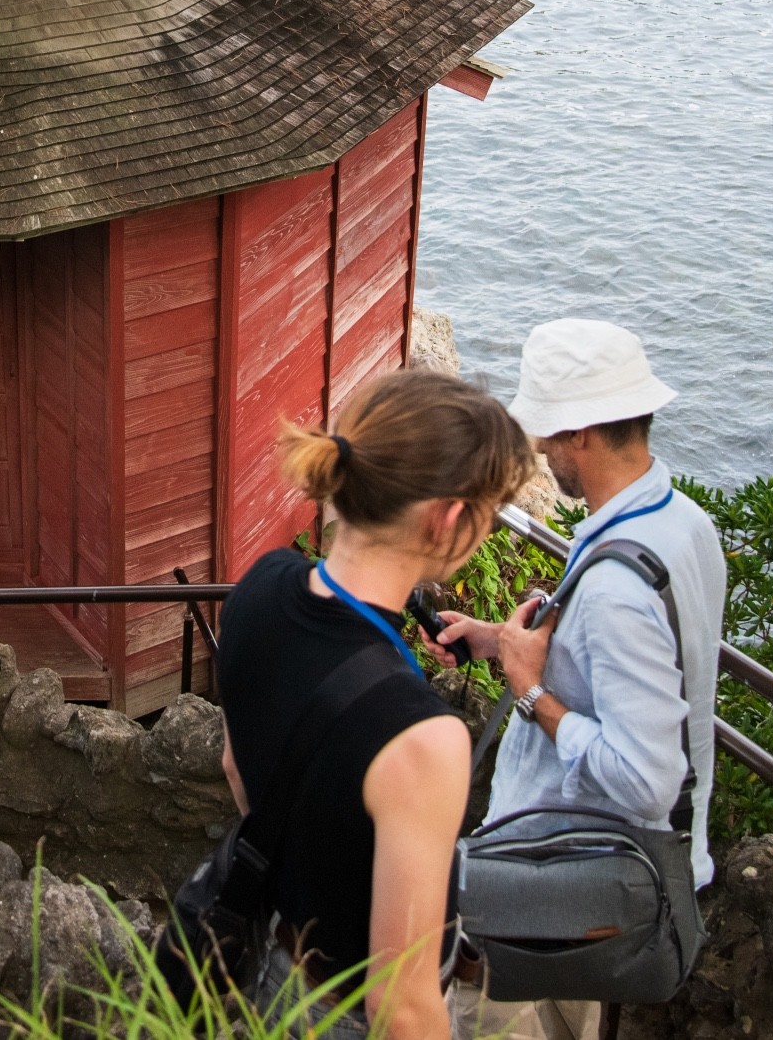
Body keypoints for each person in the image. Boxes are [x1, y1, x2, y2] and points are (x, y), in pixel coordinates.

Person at [217, 368, 533, 1040]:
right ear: (450, 518)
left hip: (271, 962)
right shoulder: (422, 736)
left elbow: (236, 769)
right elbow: (401, 1005)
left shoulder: (260, 586)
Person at [434, 320, 727, 1040]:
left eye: (548, 434)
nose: (539, 449)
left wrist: (534, 693)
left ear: (583, 434)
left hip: (559, 879)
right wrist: (503, 641)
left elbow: (645, 779)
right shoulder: (682, 523)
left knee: (475, 1016)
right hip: (606, 874)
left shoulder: (616, 589)